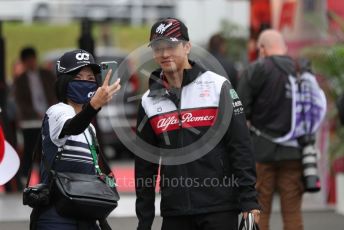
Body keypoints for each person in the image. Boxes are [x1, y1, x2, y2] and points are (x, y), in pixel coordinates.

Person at [135, 18, 260, 230]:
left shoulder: (218, 86)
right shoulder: (148, 100)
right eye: (158, 48)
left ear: (187, 47)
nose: (164, 54)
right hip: (175, 211)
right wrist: (144, 221)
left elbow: (240, 146)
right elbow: (145, 166)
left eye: (171, 46)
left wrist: (249, 200)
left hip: (219, 207)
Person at [31, 49, 121, 230]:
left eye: (90, 79)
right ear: (64, 81)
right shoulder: (57, 111)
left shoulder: (90, 128)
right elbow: (72, 126)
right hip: (56, 215)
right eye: (78, 77)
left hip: (85, 214)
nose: (86, 83)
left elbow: (98, 172)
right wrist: (95, 105)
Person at [237, 29, 304, 230]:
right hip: (294, 150)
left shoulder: (256, 69)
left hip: (261, 150)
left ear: (262, 49)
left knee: (259, 208)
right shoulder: (300, 70)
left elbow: (240, 108)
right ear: (283, 47)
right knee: (292, 211)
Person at [13, 47, 57, 180]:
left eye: (32, 60)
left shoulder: (47, 74)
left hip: (49, 117)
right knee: (30, 151)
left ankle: (44, 178)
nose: (31, 63)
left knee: (47, 151)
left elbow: (55, 92)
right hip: (30, 121)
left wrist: (52, 109)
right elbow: (20, 102)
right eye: (28, 61)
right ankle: (25, 177)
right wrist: (35, 113)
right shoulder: (20, 80)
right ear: (23, 62)